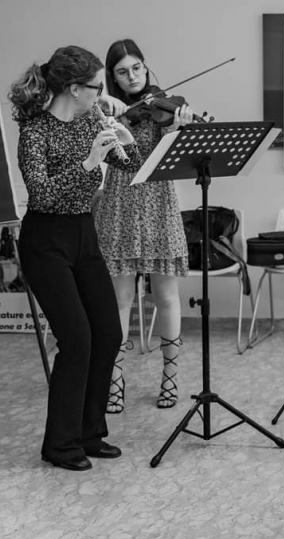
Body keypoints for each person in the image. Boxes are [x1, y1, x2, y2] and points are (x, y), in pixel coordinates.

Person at [8, 45, 141, 471]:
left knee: (108, 332)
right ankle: (59, 444)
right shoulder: (35, 131)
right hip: (45, 240)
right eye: (96, 86)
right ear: (73, 88)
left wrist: (125, 141)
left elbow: (130, 168)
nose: (102, 94)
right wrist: (88, 161)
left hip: (84, 234)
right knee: (77, 339)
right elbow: (43, 195)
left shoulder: (91, 121)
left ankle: (90, 432)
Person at [93, 39, 194, 411]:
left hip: (159, 203)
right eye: (122, 71)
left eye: (137, 68)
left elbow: (173, 160)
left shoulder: (165, 107)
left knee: (165, 296)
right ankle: (114, 382)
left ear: (146, 67)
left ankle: (171, 378)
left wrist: (175, 131)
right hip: (119, 202)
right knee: (119, 300)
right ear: (112, 76)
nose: (132, 76)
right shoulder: (104, 109)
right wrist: (104, 111)